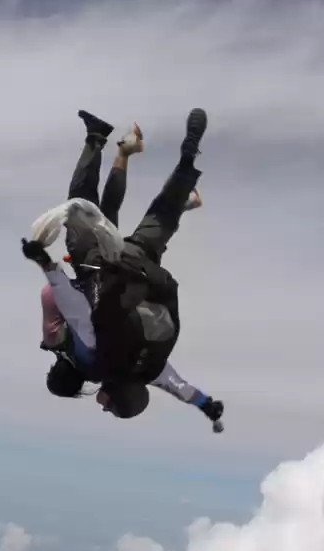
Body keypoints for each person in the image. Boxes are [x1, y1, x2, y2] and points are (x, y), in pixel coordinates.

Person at [24, 108, 224, 429]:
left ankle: (188, 162)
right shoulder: (96, 359)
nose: (104, 408)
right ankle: (96, 138)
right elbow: (72, 307)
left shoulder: (153, 370)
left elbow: (181, 388)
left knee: (163, 216)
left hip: (143, 268)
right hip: (100, 266)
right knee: (81, 201)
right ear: (116, 395)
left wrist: (207, 406)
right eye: (111, 408)